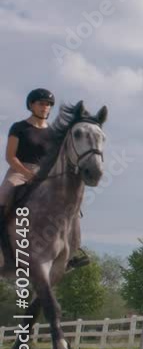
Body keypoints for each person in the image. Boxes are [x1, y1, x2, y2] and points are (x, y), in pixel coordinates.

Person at [1, 89, 91, 273]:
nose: (45, 107)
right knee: (3, 197)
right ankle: (4, 250)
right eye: (41, 103)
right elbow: (10, 157)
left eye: (48, 104)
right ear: (31, 105)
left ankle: (70, 253)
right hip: (20, 171)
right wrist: (28, 174)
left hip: (47, 176)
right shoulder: (19, 128)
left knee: (73, 208)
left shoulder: (54, 133)